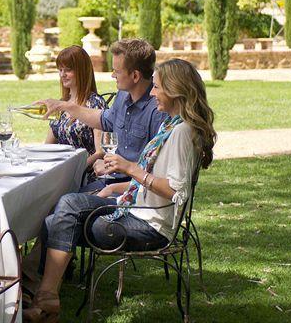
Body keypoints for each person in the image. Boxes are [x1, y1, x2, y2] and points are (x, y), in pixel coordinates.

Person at [24, 58, 217, 322]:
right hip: (136, 208)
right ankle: (45, 299)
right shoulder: (171, 125)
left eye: (157, 88)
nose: (152, 93)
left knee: (61, 214)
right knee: (62, 210)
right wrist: (116, 186)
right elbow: (154, 179)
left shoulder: (182, 132)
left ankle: (43, 299)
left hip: (152, 227)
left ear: (175, 90)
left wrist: (130, 168)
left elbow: (175, 191)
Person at [39, 38, 167, 192]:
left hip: (132, 191)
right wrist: (64, 105)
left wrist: (112, 187)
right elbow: (104, 120)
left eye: (117, 71)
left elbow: (156, 176)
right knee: (57, 201)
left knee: (66, 203)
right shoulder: (123, 95)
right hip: (110, 179)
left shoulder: (158, 110)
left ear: (135, 76)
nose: (113, 75)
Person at [44, 45, 106, 175]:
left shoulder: (95, 104)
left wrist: (74, 169)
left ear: (81, 71)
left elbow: (101, 152)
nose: (62, 75)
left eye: (67, 70)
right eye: (60, 70)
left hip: (85, 176)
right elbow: (47, 147)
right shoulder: (61, 104)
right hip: (61, 174)